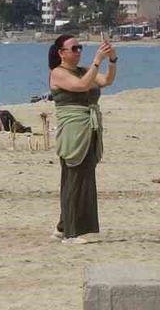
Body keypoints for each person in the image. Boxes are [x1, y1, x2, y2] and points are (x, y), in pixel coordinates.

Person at [48, 34, 117, 244]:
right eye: (74, 48)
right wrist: (97, 61)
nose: (78, 52)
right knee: (74, 177)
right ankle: (71, 233)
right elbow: (81, 86)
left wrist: (112, 60)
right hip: (74, 130)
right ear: (61, 53)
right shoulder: (58, 73)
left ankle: (63, 226)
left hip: (89, 127)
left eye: (80, 48)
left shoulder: (84, 70)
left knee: (84, 176)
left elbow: (106, 81)